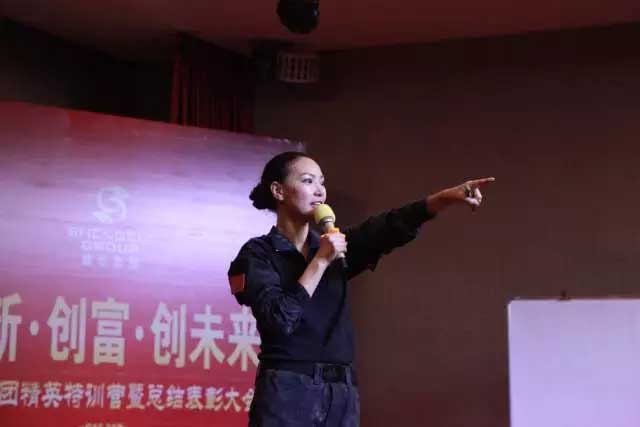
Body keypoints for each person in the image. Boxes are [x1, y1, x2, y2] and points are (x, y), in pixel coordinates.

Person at [228, 151, 494, 427]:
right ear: (278, 191)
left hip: (341, 393)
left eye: (322, 182)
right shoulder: (258, 255)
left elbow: (388, 227)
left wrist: (444, 199)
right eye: (308, 181)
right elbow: (279, 318)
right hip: (289, 390)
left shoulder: (334, 245)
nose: (319, 190)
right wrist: (320, 262)